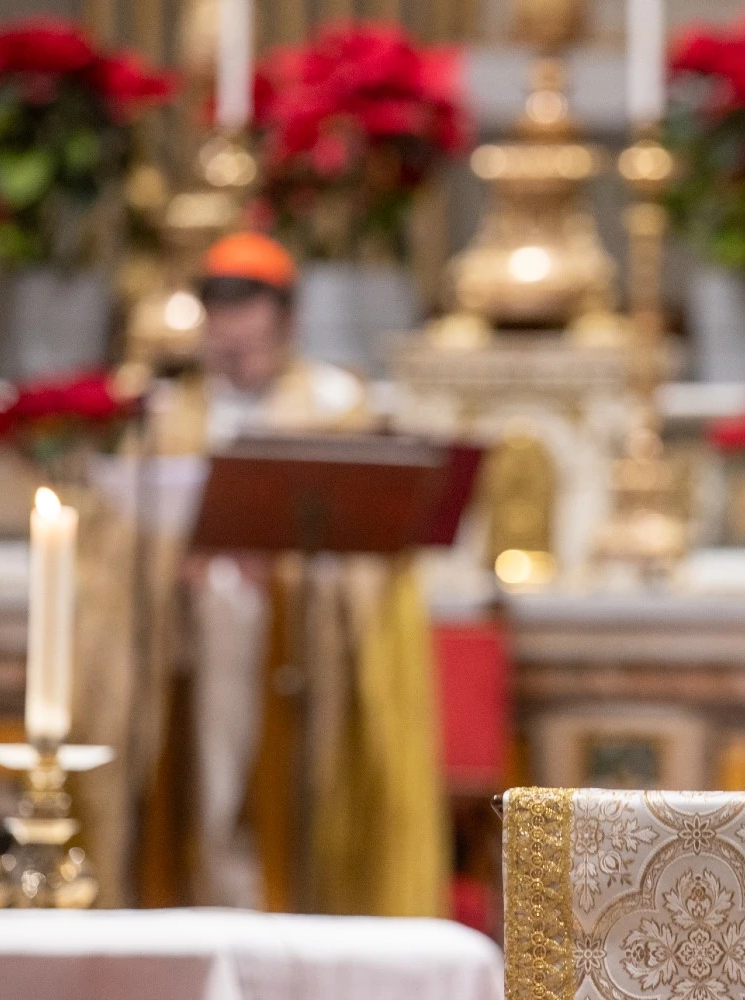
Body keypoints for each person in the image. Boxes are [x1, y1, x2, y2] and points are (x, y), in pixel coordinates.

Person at [138, 232, 446, 916]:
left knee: (294, 791)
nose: (232, 337)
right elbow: (123, 537)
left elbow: (376, 551)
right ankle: (214, 903)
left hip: (302, 653)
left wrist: (283, 566)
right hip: (204, 647)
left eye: (249, 316)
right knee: (214, 788)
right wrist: (174, 564)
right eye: (219, 317)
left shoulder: (338, 409)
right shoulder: (170, 416)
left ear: (287, 321)